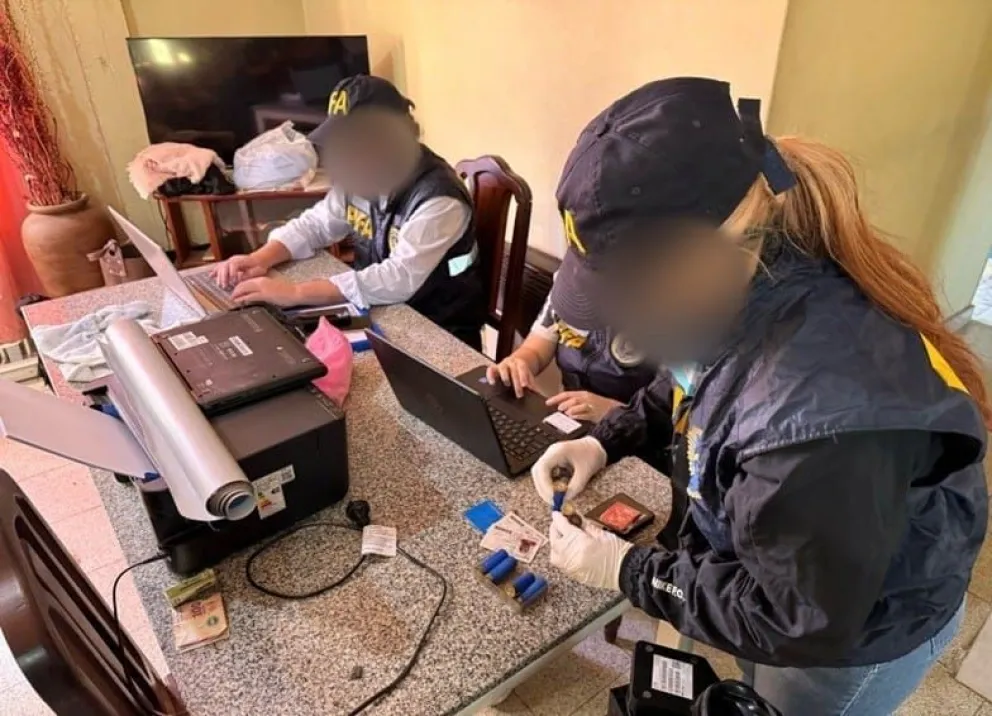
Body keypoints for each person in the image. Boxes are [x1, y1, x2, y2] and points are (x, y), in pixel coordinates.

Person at [536, 77, 990, 715]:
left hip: (851, 640)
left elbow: (794, 620)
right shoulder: (744, 277)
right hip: (790, 580)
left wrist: (629, 570)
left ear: (696, 260)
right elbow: (695, 376)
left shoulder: (822, 423)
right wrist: (606, 439)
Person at [211, 75, 486, 349]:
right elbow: (316, 224)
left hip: (438, 331)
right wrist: (259, 259)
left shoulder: (438, 198)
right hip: (381, 311)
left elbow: (399, 278)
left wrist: (295, 293)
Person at [486, 286, 660, 422]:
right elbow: (535, 349)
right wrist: (519, 363)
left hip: (634, 437)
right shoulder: (572, 280)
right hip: (568, 419)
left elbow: (667, 420)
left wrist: (615, 411)